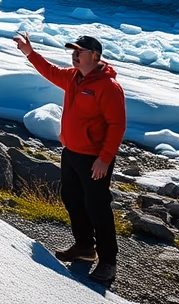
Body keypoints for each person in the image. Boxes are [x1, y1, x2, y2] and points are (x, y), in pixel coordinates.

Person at [13, 32, 126, 285]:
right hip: (72, 153)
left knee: (98, 207)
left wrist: (105, 159)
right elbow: (50, 71)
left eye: (80, 52)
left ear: (95, 57)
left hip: (94, 159)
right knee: (73, 200)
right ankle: (85, 247)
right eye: (73, 51)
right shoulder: (74, 77)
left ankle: (108, 261)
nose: (74, 55)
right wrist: (30, 53)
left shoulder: (108, 87)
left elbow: (117, 125)